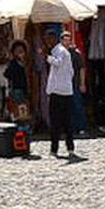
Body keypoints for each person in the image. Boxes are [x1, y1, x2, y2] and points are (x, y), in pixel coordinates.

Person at [44, 29, 77, 159]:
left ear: (53, 39)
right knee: (66, 121)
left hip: (58, 91)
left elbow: (58, 63)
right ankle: (69, 148)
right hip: (65, 90)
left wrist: (46, 57)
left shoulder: (60, 51)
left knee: (56, 122)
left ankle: (55, 149)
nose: (47, 42)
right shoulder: (62, 51)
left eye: (48, 39)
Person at [3, 40, 31, 123]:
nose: (20, 53)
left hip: (25, 89)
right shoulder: (13, 63)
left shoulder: (27, 63)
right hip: (17, 89)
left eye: (22, 50)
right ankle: (19, 124)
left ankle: (24, 124)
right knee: (18, 108)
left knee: (26, 108)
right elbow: (7, 74)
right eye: (17, 51)